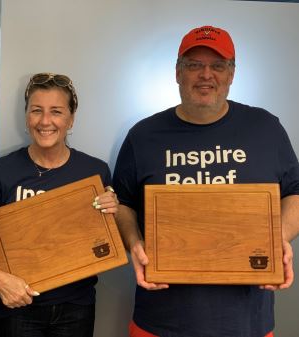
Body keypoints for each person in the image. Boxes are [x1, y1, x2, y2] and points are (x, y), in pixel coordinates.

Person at [113, 25, 299, 337]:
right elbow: (122, 204)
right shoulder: (143, 135)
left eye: (218, 65)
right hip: (159, 322)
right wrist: (135, 243)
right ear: (177, 72)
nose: (206, 75)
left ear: (232, 74)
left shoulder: (265, 128)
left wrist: (274, 236)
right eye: (194, 65)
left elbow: (295, 193)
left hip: (246, 324)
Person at [0, 72, 119, 337]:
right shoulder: (0, 172)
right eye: (36, 111)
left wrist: (112, 214)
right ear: (26, 117)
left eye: (56, 111)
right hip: (17, 306)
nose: (45, 121)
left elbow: (107, 241)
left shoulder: (95, 172)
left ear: (71, 119)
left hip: (76, 306)